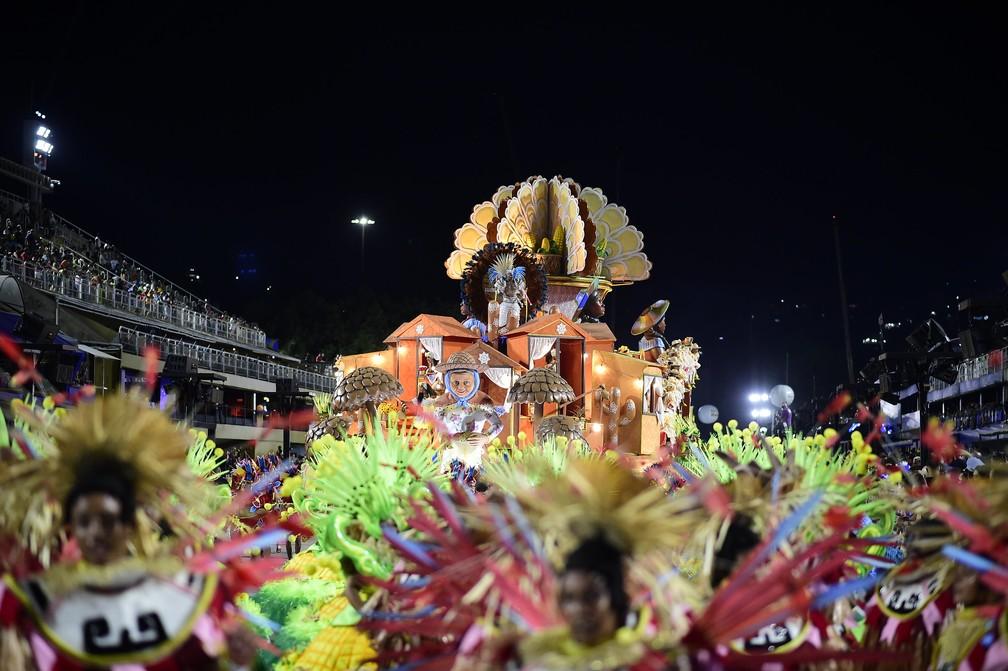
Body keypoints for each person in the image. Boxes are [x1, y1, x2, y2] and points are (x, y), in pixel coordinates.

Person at [0, 395, 259, 670]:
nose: (95, 534)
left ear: (129, 525)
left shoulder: (183, 595)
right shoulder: (40, 603)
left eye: (107, 521)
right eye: (83, 522)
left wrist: (238, 661)